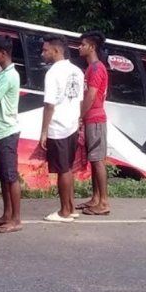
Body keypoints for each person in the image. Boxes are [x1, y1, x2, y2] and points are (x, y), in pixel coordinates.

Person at [40, 34, 84, 223]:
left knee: (62, 170)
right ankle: (71, 207)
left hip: (58, 126)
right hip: (72, 124)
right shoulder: (77, 71)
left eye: (45, 50)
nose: (42, 54)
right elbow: (79, 100)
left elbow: (49, 105)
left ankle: (64, 211)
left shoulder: (53, 73)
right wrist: (78, 119)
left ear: (56, 50)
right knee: (68, 168)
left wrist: (43, 131)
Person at [0, 36, 22, 233]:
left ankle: (16, 219)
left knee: (10, 176)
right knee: (3, 175)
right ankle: (7, 214)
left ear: (3, 53)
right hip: (0, 130)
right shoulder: (1, 72)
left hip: (7, 130)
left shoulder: (9, 75)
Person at [76, 31, 110, 216]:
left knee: (97, 161)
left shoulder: (97, 68)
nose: (79, 47)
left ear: (92, 47)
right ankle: (95, 198)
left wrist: (81, 115)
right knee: (94, 160)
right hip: (92, 118)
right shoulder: (90, 68)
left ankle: (103, 202)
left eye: (82, 44)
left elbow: (91, 95)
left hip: (95, 119)